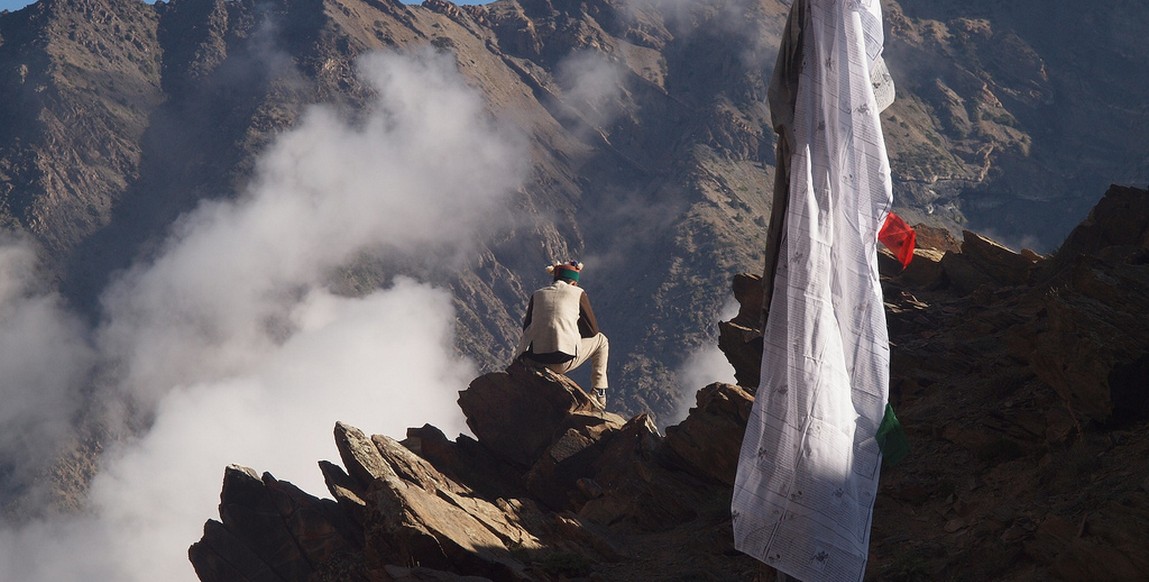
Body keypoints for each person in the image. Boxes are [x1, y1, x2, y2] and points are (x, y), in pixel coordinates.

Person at [516, 260, 609, 408]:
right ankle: (599, 391)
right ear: (573, 283)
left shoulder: (537, 294)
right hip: (562, 362)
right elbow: (592, 331)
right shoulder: (578, 293)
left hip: (535, 360)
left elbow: (527, 329)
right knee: (601, 341)